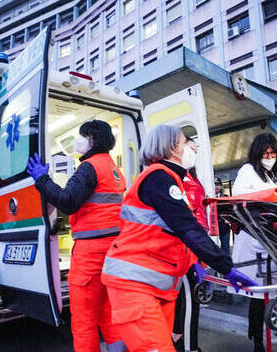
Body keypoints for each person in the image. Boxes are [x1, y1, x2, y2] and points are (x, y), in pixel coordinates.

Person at [101, 125, 255, 351]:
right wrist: (226, 266)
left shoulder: (169, 180)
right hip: (135, 285)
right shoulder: (159, 179)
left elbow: (174, 233)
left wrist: (196, 262)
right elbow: (187, 228)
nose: (190, 149)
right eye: (186, 143)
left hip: (156, 287)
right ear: (172, 148)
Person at [25, 120, 126, 352]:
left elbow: (68, 201)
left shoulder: (89, 167)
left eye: (83, 136)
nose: (78, 140)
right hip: (114, 252)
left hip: (91, 255)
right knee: (110, 314)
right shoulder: (114, 169)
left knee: (84, 320)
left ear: (93, 139)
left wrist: (42, 180)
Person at [231, 133, 277, 352]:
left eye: (273, 153)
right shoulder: (248, 170)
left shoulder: (272, 175)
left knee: (270, 293)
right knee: (258, 296)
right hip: (252, 240)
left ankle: (269, 336)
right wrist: (270, 195)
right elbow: (240, 195)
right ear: (257, 153)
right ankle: (257, 341)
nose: (269, 157)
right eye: (266, 153)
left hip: (270, 241)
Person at [173, 138, 208, 352]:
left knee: (190, 299)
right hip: (186, 246)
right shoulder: (176, 177)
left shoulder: (191, 176)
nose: (193, 153)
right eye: (190, 148)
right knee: (187, 298)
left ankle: (185, 340)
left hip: (197, 243)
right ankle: (185, 343)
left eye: (196, 150)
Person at [215, 177, 232, 257]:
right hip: (213, 227)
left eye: (217, 184)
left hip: (224, 227)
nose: (216, 186)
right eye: (214, 184)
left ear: (221, 186)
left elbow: (230, 211)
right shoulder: (207, 197)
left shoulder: (225, 197)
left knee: (225, 249)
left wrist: (229, 220)